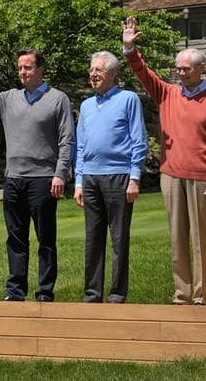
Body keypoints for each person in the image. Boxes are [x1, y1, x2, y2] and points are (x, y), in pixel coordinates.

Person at [122, 17, 206, 305]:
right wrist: (130, 48)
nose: (179, 72)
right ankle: (182, 294)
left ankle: (201, 295)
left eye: (185, 68)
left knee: (200, 240)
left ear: (200, 69)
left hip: (201, 177)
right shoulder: (167, 93)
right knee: (177, 239)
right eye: (177, 68)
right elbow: (144, 74)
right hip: (170, 175)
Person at [0, 49, 74, 302]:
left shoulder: (58, 99)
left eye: (28, 67)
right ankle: (16, 291)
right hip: (14, 179)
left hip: (43, 179)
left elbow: (67, 140)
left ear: (40, 69)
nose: (22, 72)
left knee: (46, 240)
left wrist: (60, 174)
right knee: (16, 239)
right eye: (20, 67)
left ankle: (45, 292)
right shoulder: (8, 98)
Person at [73, 51, 148, 303]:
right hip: (91, 179)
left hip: (119, 177)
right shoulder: (86, 105)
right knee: (92, 240)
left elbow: (139, 141)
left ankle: (116, 294)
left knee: (118, 239)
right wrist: (79, 181)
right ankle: (92, 294)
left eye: (99, 70)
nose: (93, 74)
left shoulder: (129, 99)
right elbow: (81, 147)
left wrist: (135, 177)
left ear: (113, 74)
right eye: (91, 69)